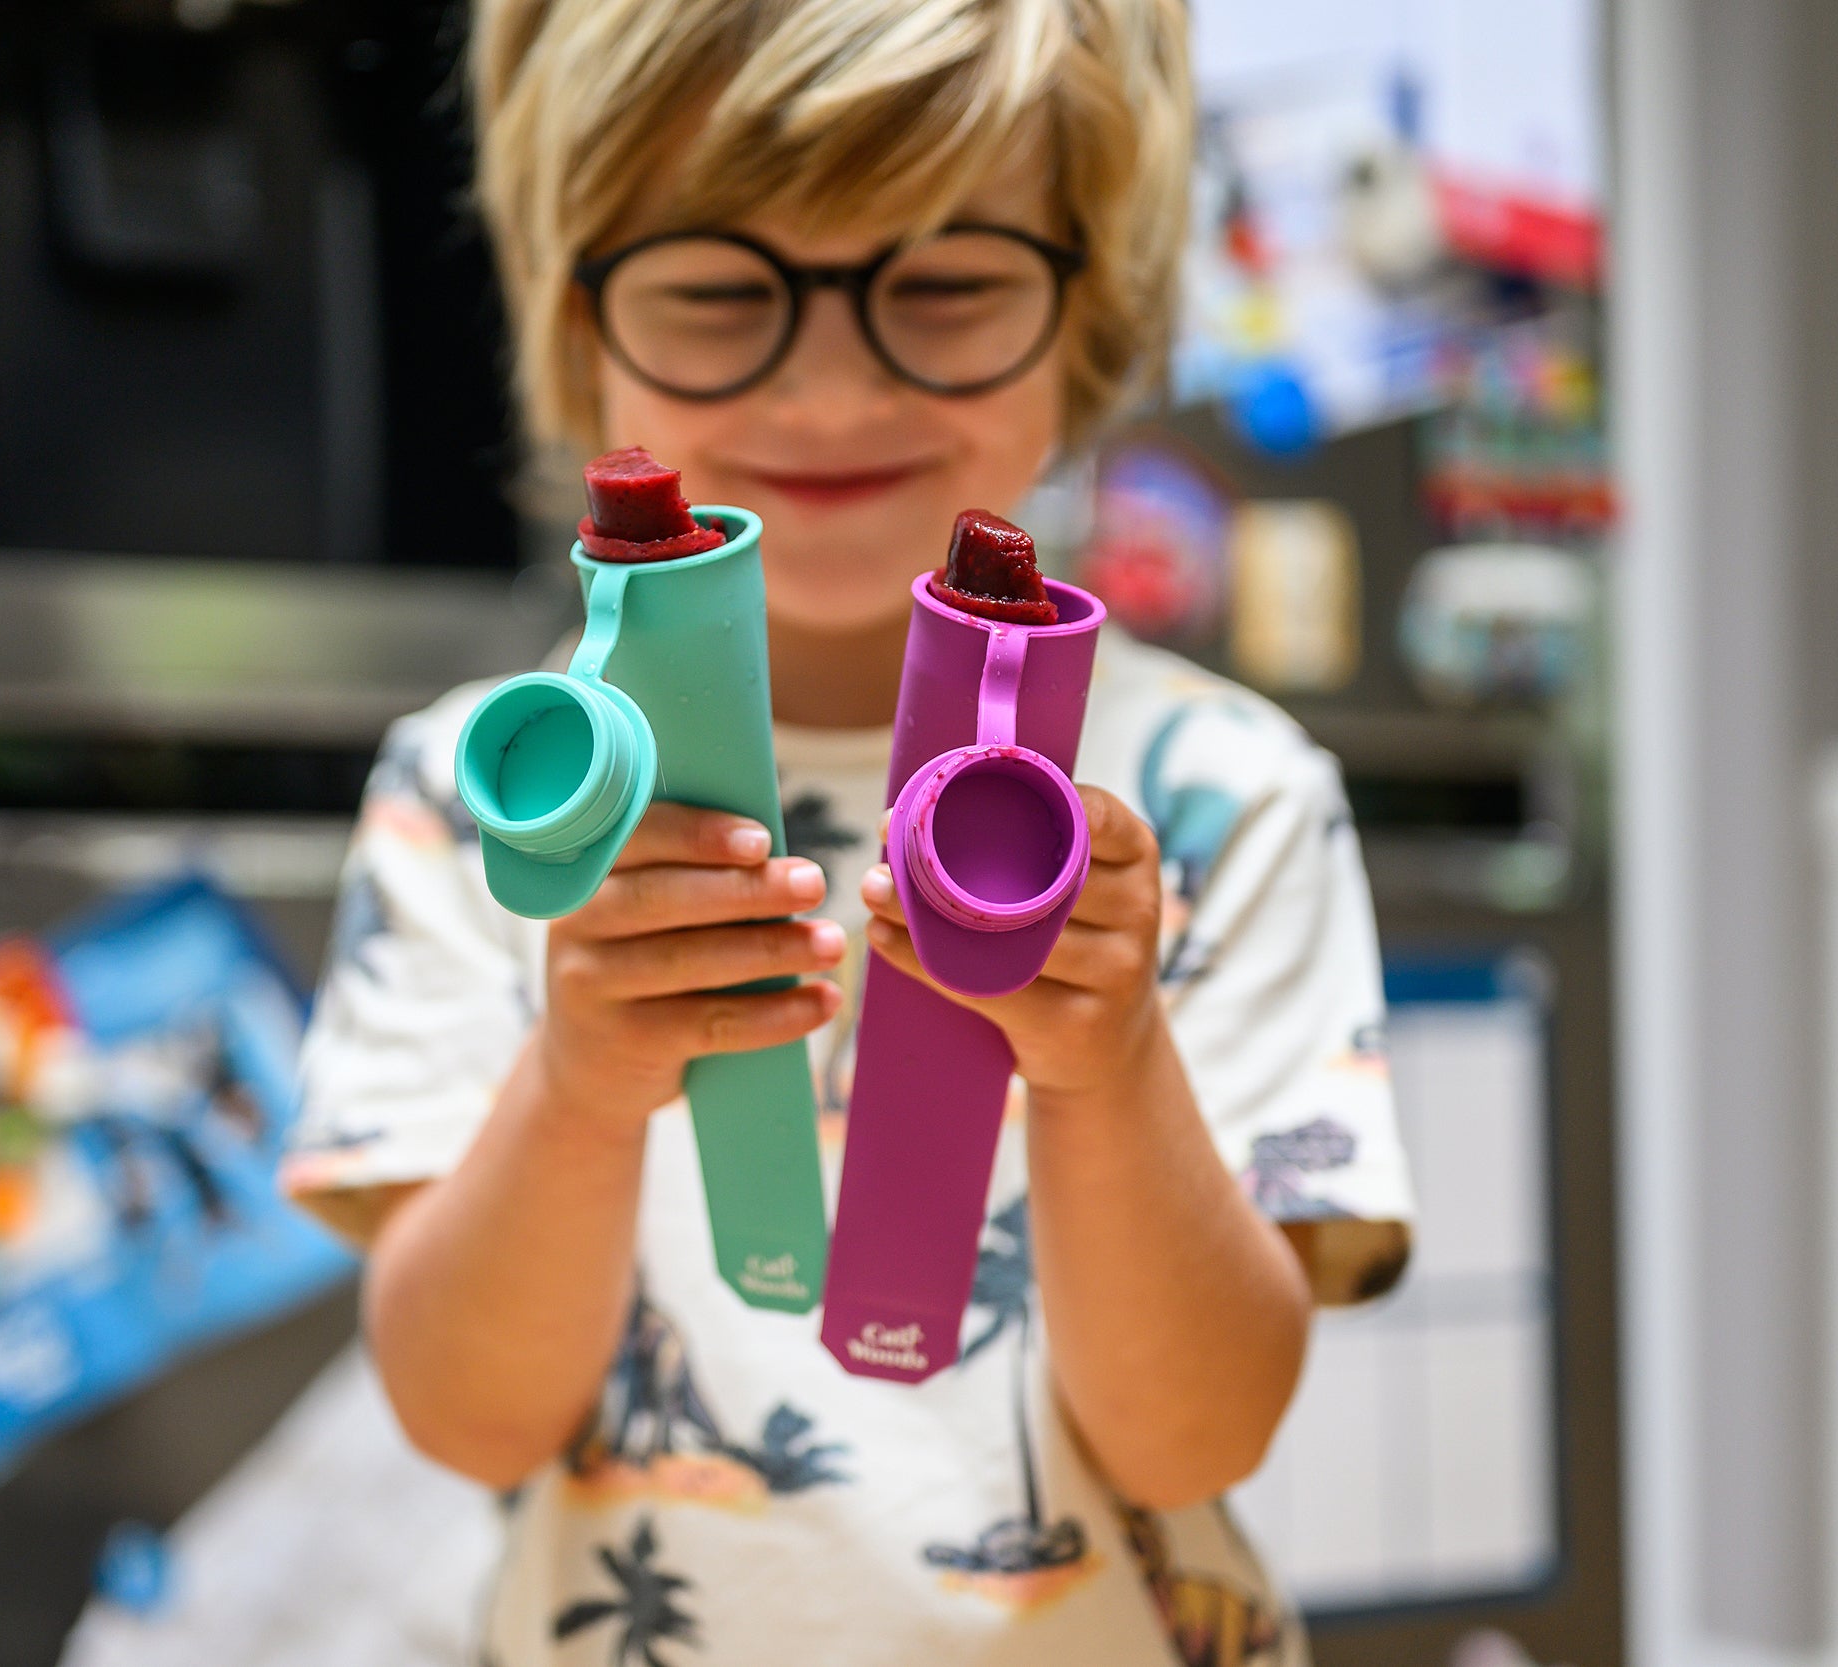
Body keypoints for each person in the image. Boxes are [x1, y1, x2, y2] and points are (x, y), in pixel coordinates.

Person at [280, 0, 1415, 1661]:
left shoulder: (1226, 798)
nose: (826, 391)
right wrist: (586, 1088)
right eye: (722, 293)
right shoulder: (480, 801)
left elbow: (1196, 1440)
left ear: (1085, 307)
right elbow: (465, 1416)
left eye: (946, 286)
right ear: (580, 317)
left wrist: (1108, 1070)